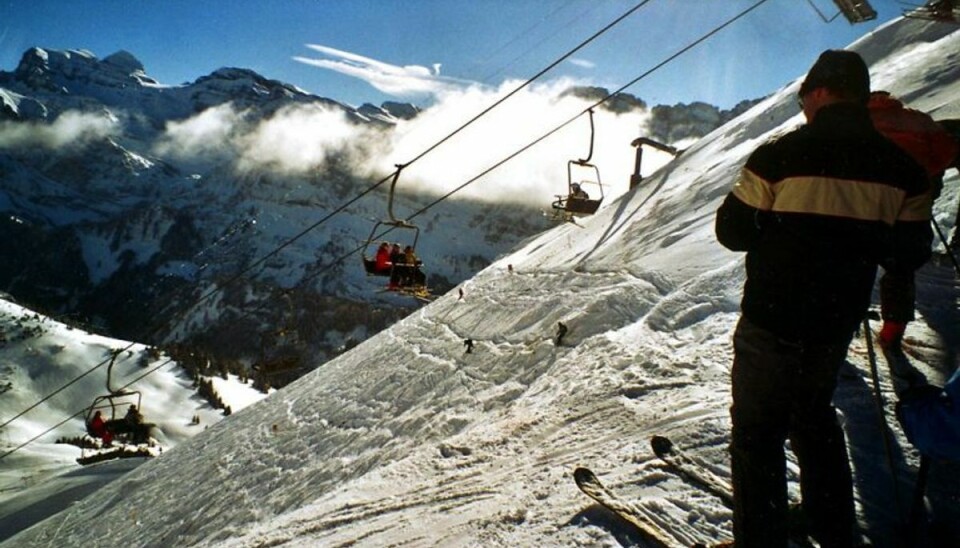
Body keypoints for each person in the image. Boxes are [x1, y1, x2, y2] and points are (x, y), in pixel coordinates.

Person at [715, 50, 929, 548]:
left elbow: (733, 232)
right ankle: (831, 527)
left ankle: (761, 539)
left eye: (805, 99)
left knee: (758, 434)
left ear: (817, 93)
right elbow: (909, 252)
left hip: (772, 318)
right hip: (834, 322)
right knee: (814, 419)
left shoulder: (778, 156)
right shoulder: (905, 172)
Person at [867, 91, 959, 350]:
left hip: (870, 199)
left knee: (855, 260)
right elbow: (947, 150)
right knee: (900, 265)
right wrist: (927, 176)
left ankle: (844, 327)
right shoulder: (916, 119)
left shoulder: (861, 120)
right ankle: (892, 333)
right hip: (914, 199)